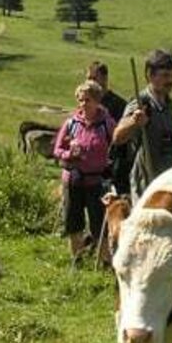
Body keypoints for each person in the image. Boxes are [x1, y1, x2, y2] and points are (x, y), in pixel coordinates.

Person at [53, 80, 117, 264]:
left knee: (100, 225)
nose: (83, 104)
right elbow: (57, 150)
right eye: (80, 100)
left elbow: (117, 146)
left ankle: (104, 262)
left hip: (96, 181)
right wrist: (68, 154)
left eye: (87, 100)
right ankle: (77, 260)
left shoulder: (107, 124)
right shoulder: (72, 123)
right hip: (72, 179)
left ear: (97, 101)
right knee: (73, 223)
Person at [113, 48, 172, 202]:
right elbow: (117, 137)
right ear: (150, 75)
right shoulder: (141, 102)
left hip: (167, 182)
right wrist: (134, 122)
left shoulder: (168, 104)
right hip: (146, 184)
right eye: (165, 75)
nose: (170, 80)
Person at [87, 60, 130, 193]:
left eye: (93, 78)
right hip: (90, 164)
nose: (89, 82)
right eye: (88, 78)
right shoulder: (87, 103)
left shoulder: (119, 105)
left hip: (112, 165)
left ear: (104, 79)